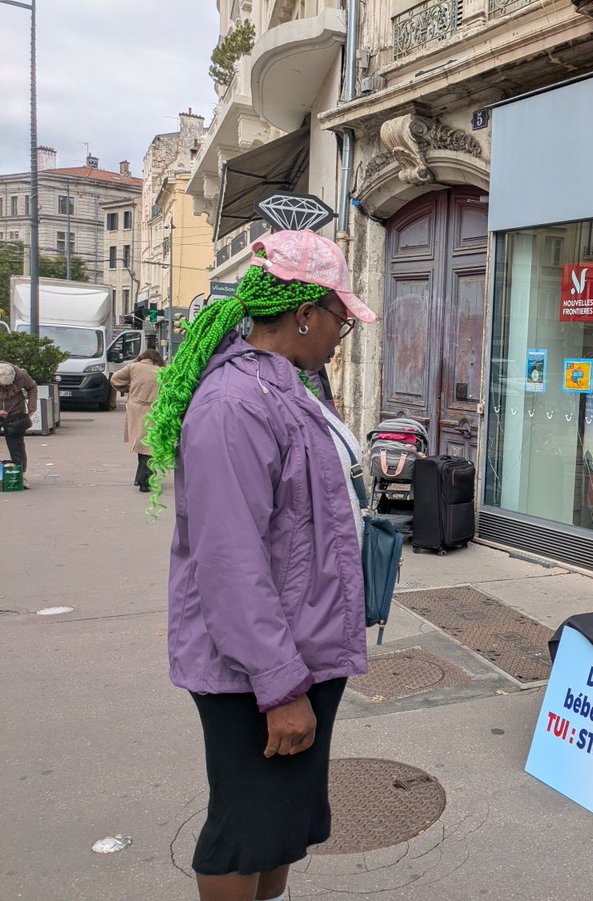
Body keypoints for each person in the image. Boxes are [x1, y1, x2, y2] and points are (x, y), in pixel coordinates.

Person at [146, 230, 377, 901]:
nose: (343, 334)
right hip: (256, 670)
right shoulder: (236, 403)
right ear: (304, 312)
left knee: (278, 826)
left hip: (300, 651)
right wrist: (280, 687)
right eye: (340, 318)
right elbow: (229, 561)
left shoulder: (292, 387)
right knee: (242, 829)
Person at [110, 348, 165, 491]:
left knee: (142, 446)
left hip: (136, 409)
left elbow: (115, 379)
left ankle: (142, 479)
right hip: (154, 410)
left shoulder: (133, 367)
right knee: (150, 446)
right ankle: (144, 480)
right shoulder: (162, 371)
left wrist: (127, 388)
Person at [0, 361, 38, 479]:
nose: (5, 388)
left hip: (15, 412)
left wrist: (32, 405)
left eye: (8, 385)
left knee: (16, 444)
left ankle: (19, 473)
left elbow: (32, 387)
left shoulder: (22, 375)